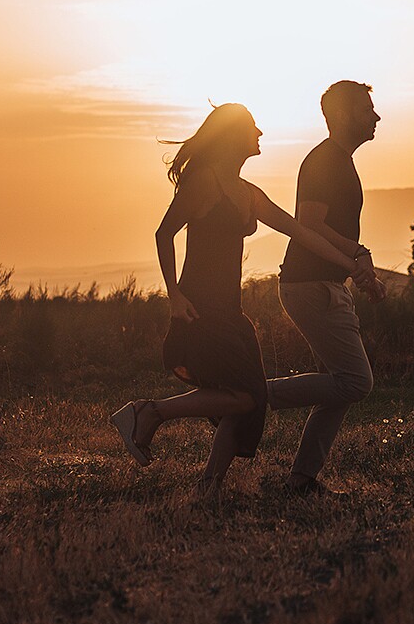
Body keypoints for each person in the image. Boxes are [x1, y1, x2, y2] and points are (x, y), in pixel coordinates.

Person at [112, 102, 371, 501]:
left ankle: (208, 486)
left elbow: (302, 234)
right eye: (253, 126)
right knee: (247, 396)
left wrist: (350, 262)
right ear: (233, 135)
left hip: (231, 311)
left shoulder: (249, 194)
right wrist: (174, 296)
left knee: (246, 400)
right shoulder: (203, 181)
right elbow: (164, 234)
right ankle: (151, 411)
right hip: (199, 306)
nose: (261, 133)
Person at [266, 80, 384, 495]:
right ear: (344, 115)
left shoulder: (339, 161)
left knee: (342, 383)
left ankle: (302, 479)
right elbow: (309, 225)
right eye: (368, 110)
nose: (376, 117)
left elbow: (329, 229)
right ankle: (248, 396)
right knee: (356, 381)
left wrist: (358, 264)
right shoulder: (325, 161)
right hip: (309, 284)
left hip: (323, 283)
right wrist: (357, 258)